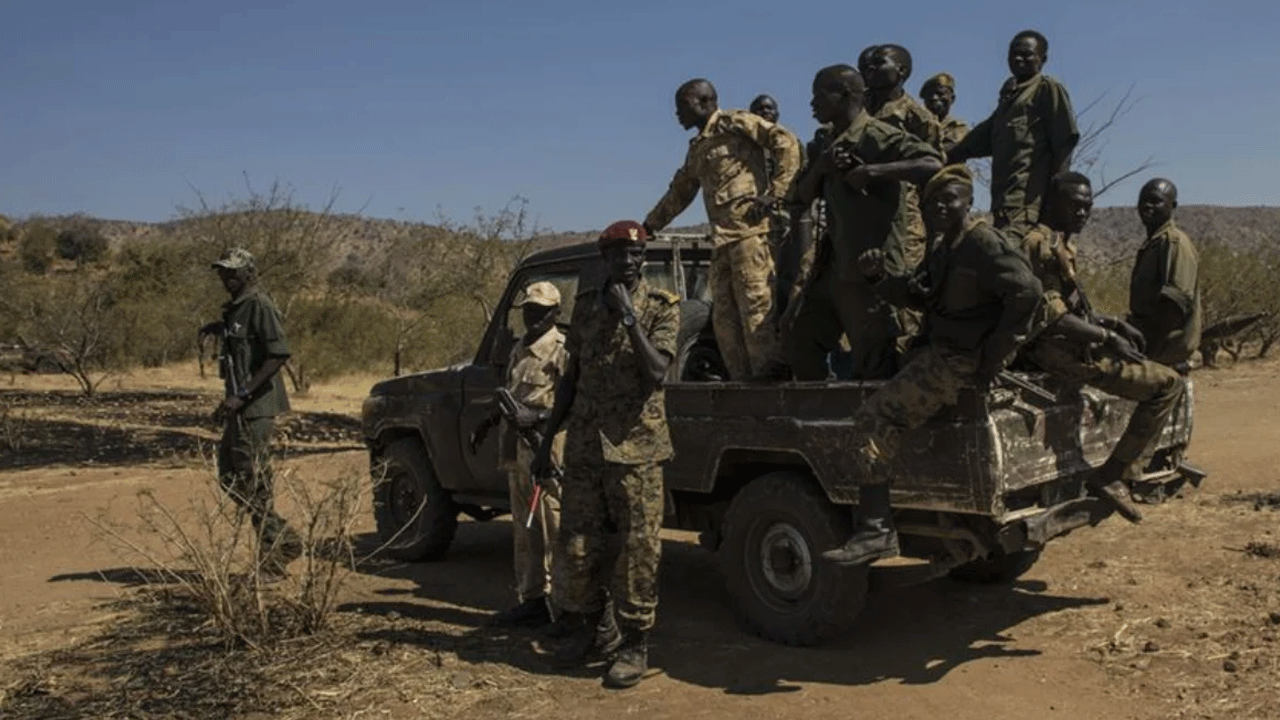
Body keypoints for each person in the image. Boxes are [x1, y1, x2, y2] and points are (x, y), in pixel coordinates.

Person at [822, 164, 1043, 565]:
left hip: (957, 361)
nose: (940, 206)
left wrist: (993, 355)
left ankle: (875, 530)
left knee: (874, 419)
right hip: (941, 354)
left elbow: (1027, 294)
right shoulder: (946, 248)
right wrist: (877, 280)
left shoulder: (982, 243)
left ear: (969, 202)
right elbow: (918, 295)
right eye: (932, 201)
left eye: (950, 198)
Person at [532, 220, 679, 689]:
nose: (629, 261)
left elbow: (658, 372)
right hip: (586, 446)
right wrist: (546, 439)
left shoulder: (661, 306)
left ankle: (635, 643)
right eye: (619, 254)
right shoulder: (587, 310)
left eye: (636, 255)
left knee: (638, 549)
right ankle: (592, 629)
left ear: (644, 260)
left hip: (637, 447)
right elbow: (571, 378)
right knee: (578, 542)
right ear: (606, 258)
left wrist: (629, 316)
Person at [1017, 172, 1184, 522]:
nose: (1083, 213)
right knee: (1168, 385)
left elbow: (1071, 308)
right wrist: (1108, 338)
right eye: (1075, 206)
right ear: (1052, 203)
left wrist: (1109, 322)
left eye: (1088, 207)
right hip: (1058, 351)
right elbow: (1051, 317)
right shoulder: (1040, 245)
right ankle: (1114, 476)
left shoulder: (1057, 243)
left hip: (1069, 345)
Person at [785, 64, 942, 381]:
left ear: (843, 95)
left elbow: (932, 162)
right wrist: (822, 167)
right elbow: (799, 197)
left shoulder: (876, 135)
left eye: (819, 95)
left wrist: (874, 171)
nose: (812, 103)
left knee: (874, 364)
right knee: (799, 340)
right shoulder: (828, 142)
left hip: (870, 269)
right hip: (832, 268)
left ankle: (875, 426)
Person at [644, 78, 800, 381]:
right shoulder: (698, 146)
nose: (678, 115)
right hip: (721, 242)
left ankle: (772, 394)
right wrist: (649, 225)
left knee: (757, 317)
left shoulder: (736, 123)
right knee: (726, 324)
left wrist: (776, 192)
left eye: (682, 107)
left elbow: (786, 142)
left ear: (703, 102)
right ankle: (743, 394)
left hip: (750, 238)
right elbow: (681, 190)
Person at [199, 247, 302, 583]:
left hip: (255, 407)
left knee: (253, 480)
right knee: (230, 475)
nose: (226, 278)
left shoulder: (258, 304)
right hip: (239, 406)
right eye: (222, 272)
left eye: (232, 272)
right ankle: (284, 538)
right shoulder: (237, 309)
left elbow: (278, 353)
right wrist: (220, 328)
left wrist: (242, 395)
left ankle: (273, 560)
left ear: (248, 273)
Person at [470, 281, 568, 628]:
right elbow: (511, 394)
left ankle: (562, 607)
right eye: (529, 310)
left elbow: (574, 404)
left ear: (556, 313)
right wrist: (487, 422)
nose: (533, 317)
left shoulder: (560, 350)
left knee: (554, 528)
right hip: (517, 453)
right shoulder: (518, 349)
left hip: (547, 453)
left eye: (541, 312)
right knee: (525, 531)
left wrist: (538, 417)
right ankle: (532, 599)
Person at [949, 30, 1079, 235]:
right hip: (1004, 207)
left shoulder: (1046, 89)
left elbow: (1064, 146)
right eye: (1014, 54)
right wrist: (947, 152)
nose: (1019, 59)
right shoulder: (1009, 100)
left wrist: (1052, 208)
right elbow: (978, 140)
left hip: (1029, 210)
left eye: (1027, 54)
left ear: (1042, 59)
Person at [1127, 178, 1202, 366]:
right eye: (1143, 200)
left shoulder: (1174, 243)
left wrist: (1148, 350)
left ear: (1173, 205)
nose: (1147, 206)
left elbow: (1175, 304)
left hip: (1164, 350)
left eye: (1156, 201)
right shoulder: (1155, 243)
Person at [919, 72, 969, 152]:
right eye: (929, 94)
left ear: (952, 99)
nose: (934, 98)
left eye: (940, 94)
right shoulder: (915, 125)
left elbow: (954, 149)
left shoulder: (958, 128)